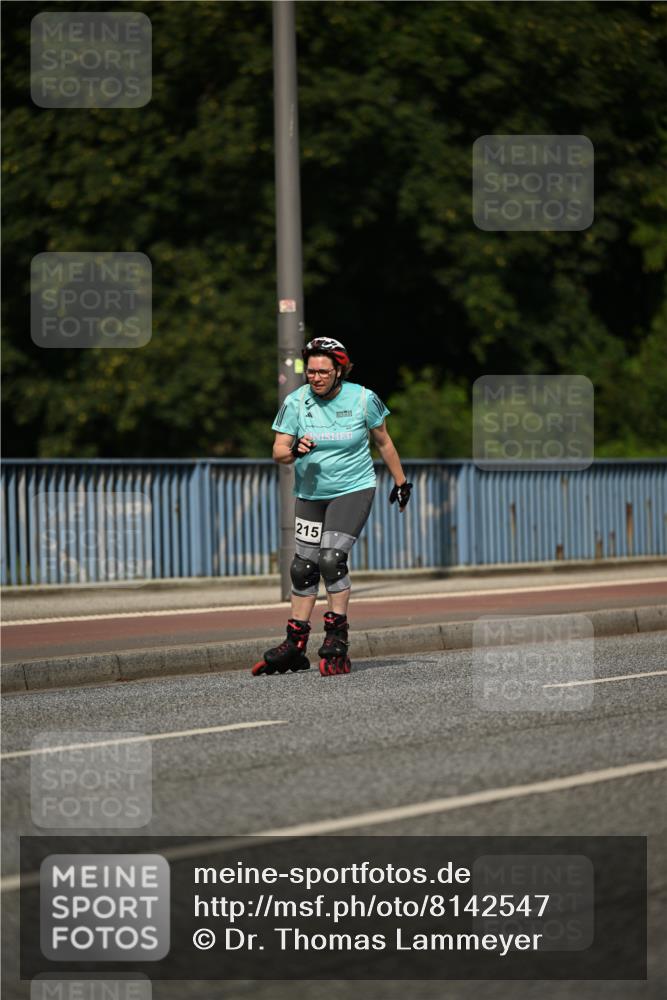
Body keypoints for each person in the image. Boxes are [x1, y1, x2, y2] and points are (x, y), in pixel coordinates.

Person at [252, 337, 412, 678]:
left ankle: (337, 638)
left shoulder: (363, 399)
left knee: (330, 559)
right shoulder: (296, 402)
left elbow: (383, 441)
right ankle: (294, 643)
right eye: (310, 371)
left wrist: (401, 482)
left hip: (353, 490)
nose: (316, 378)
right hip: (310, 493)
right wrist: (295, 449)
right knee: (301, 567)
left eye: (323, 371)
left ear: (339, 371)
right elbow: (278, 451)